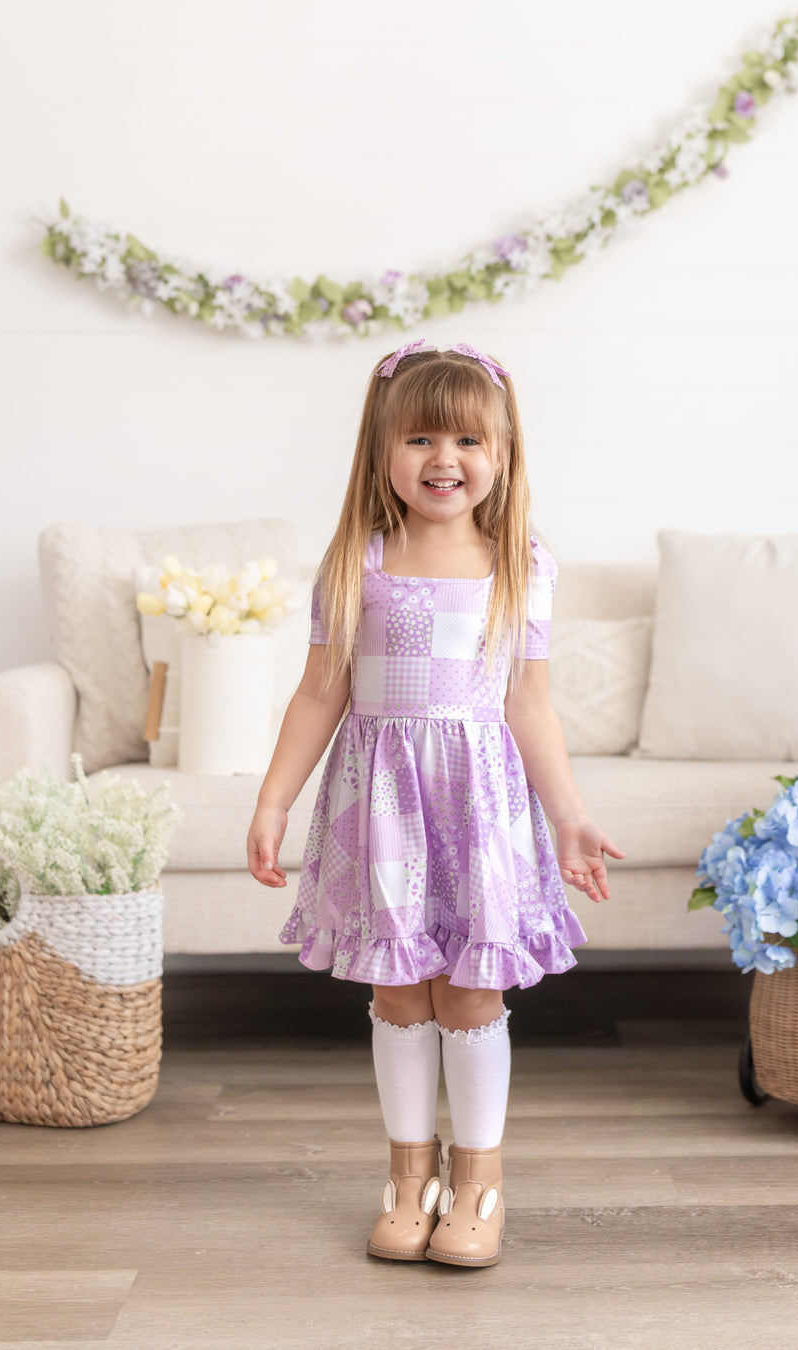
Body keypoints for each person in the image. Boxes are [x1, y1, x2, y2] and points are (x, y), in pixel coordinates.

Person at [247, 338, 624, 1268]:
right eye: (419, 438)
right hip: (382, 804)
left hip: (480, 805)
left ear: (502, 454)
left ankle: (480, 1183)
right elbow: (318, 695)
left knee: (469, 991)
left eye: (466, 440)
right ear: (382, 449)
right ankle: (407, 1180)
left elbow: (530, 704)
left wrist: (570, 813)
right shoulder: (357, 559)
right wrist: (273, 802)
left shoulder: (519, 565)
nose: (443, 459)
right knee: (399, 992)